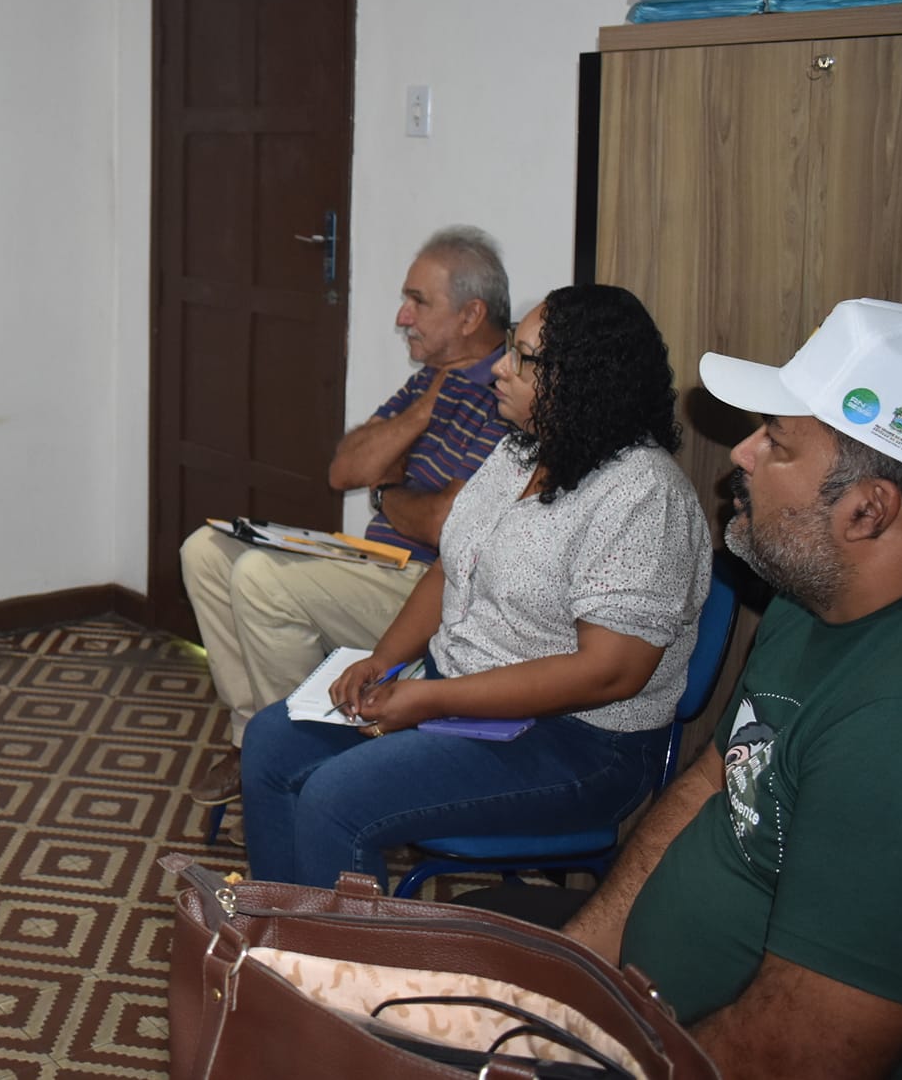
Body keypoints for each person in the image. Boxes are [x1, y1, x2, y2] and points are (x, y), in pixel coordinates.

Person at [563, 300, 902, 1079]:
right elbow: (721, 776)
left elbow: (797, 1058)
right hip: (650, 1025)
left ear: (867, 511)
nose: (740, 453)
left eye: (775, 441)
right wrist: (577, 973)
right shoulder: (822, 588)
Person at [239, 284, 710, 887]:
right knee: (274, 741)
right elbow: (451, 564)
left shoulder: (644, 495)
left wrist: (430, 701)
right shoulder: (522, 452)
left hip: (577, 744)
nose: (499, 368)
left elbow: (610, 673)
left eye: (523, 357)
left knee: (337, 797)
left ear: (584, 377)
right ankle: (285, 941)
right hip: (464, 697)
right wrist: (383, 663)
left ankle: (342, 976)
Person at [181, 226, 514, 808]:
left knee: (259, 580)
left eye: (418, 301)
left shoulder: (511, 394)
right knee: (204, 552)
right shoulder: (431, 382)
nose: (402, 316)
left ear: (470, 316)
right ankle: (254, 742)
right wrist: (421, 413)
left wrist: (387, 495)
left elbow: (446, 525)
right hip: (373, 563)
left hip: (431, 589)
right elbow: (345, 468)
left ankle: (290, 761)